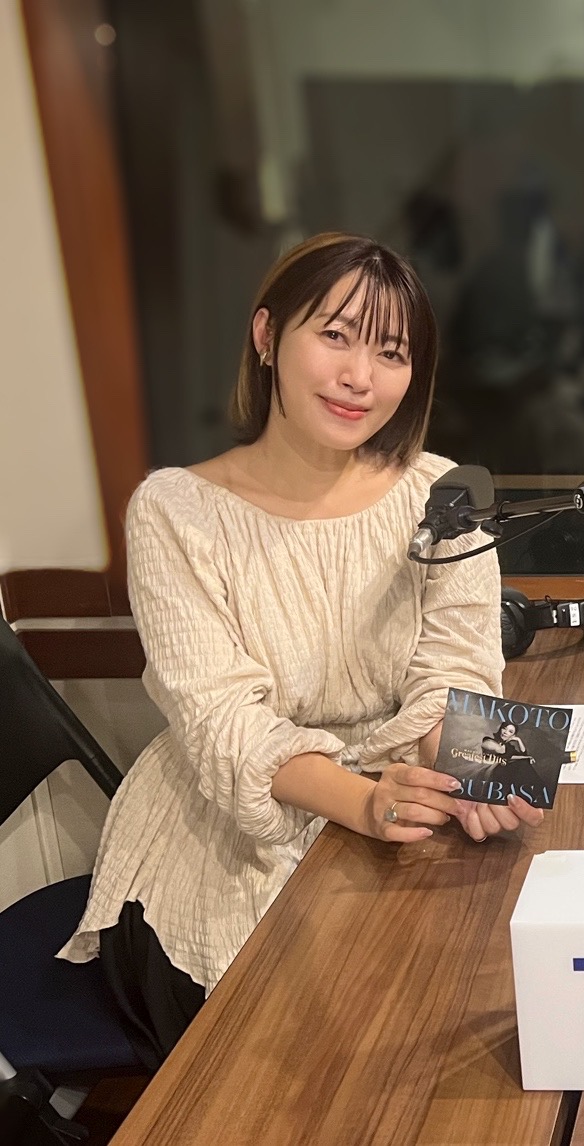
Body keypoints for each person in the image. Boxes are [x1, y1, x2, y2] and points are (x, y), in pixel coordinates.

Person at [60, 233, 544, 1069]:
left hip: (393, 802)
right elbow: (225, 725)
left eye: (391, 352)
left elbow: (456, 670)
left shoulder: (446, 492)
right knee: (318, 1059)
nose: (360, 376)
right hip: (224, 837)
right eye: (335, 335)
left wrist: (479, 775)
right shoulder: (173, 511)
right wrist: (366, 804)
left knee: (484, 1007)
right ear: (266, 336)